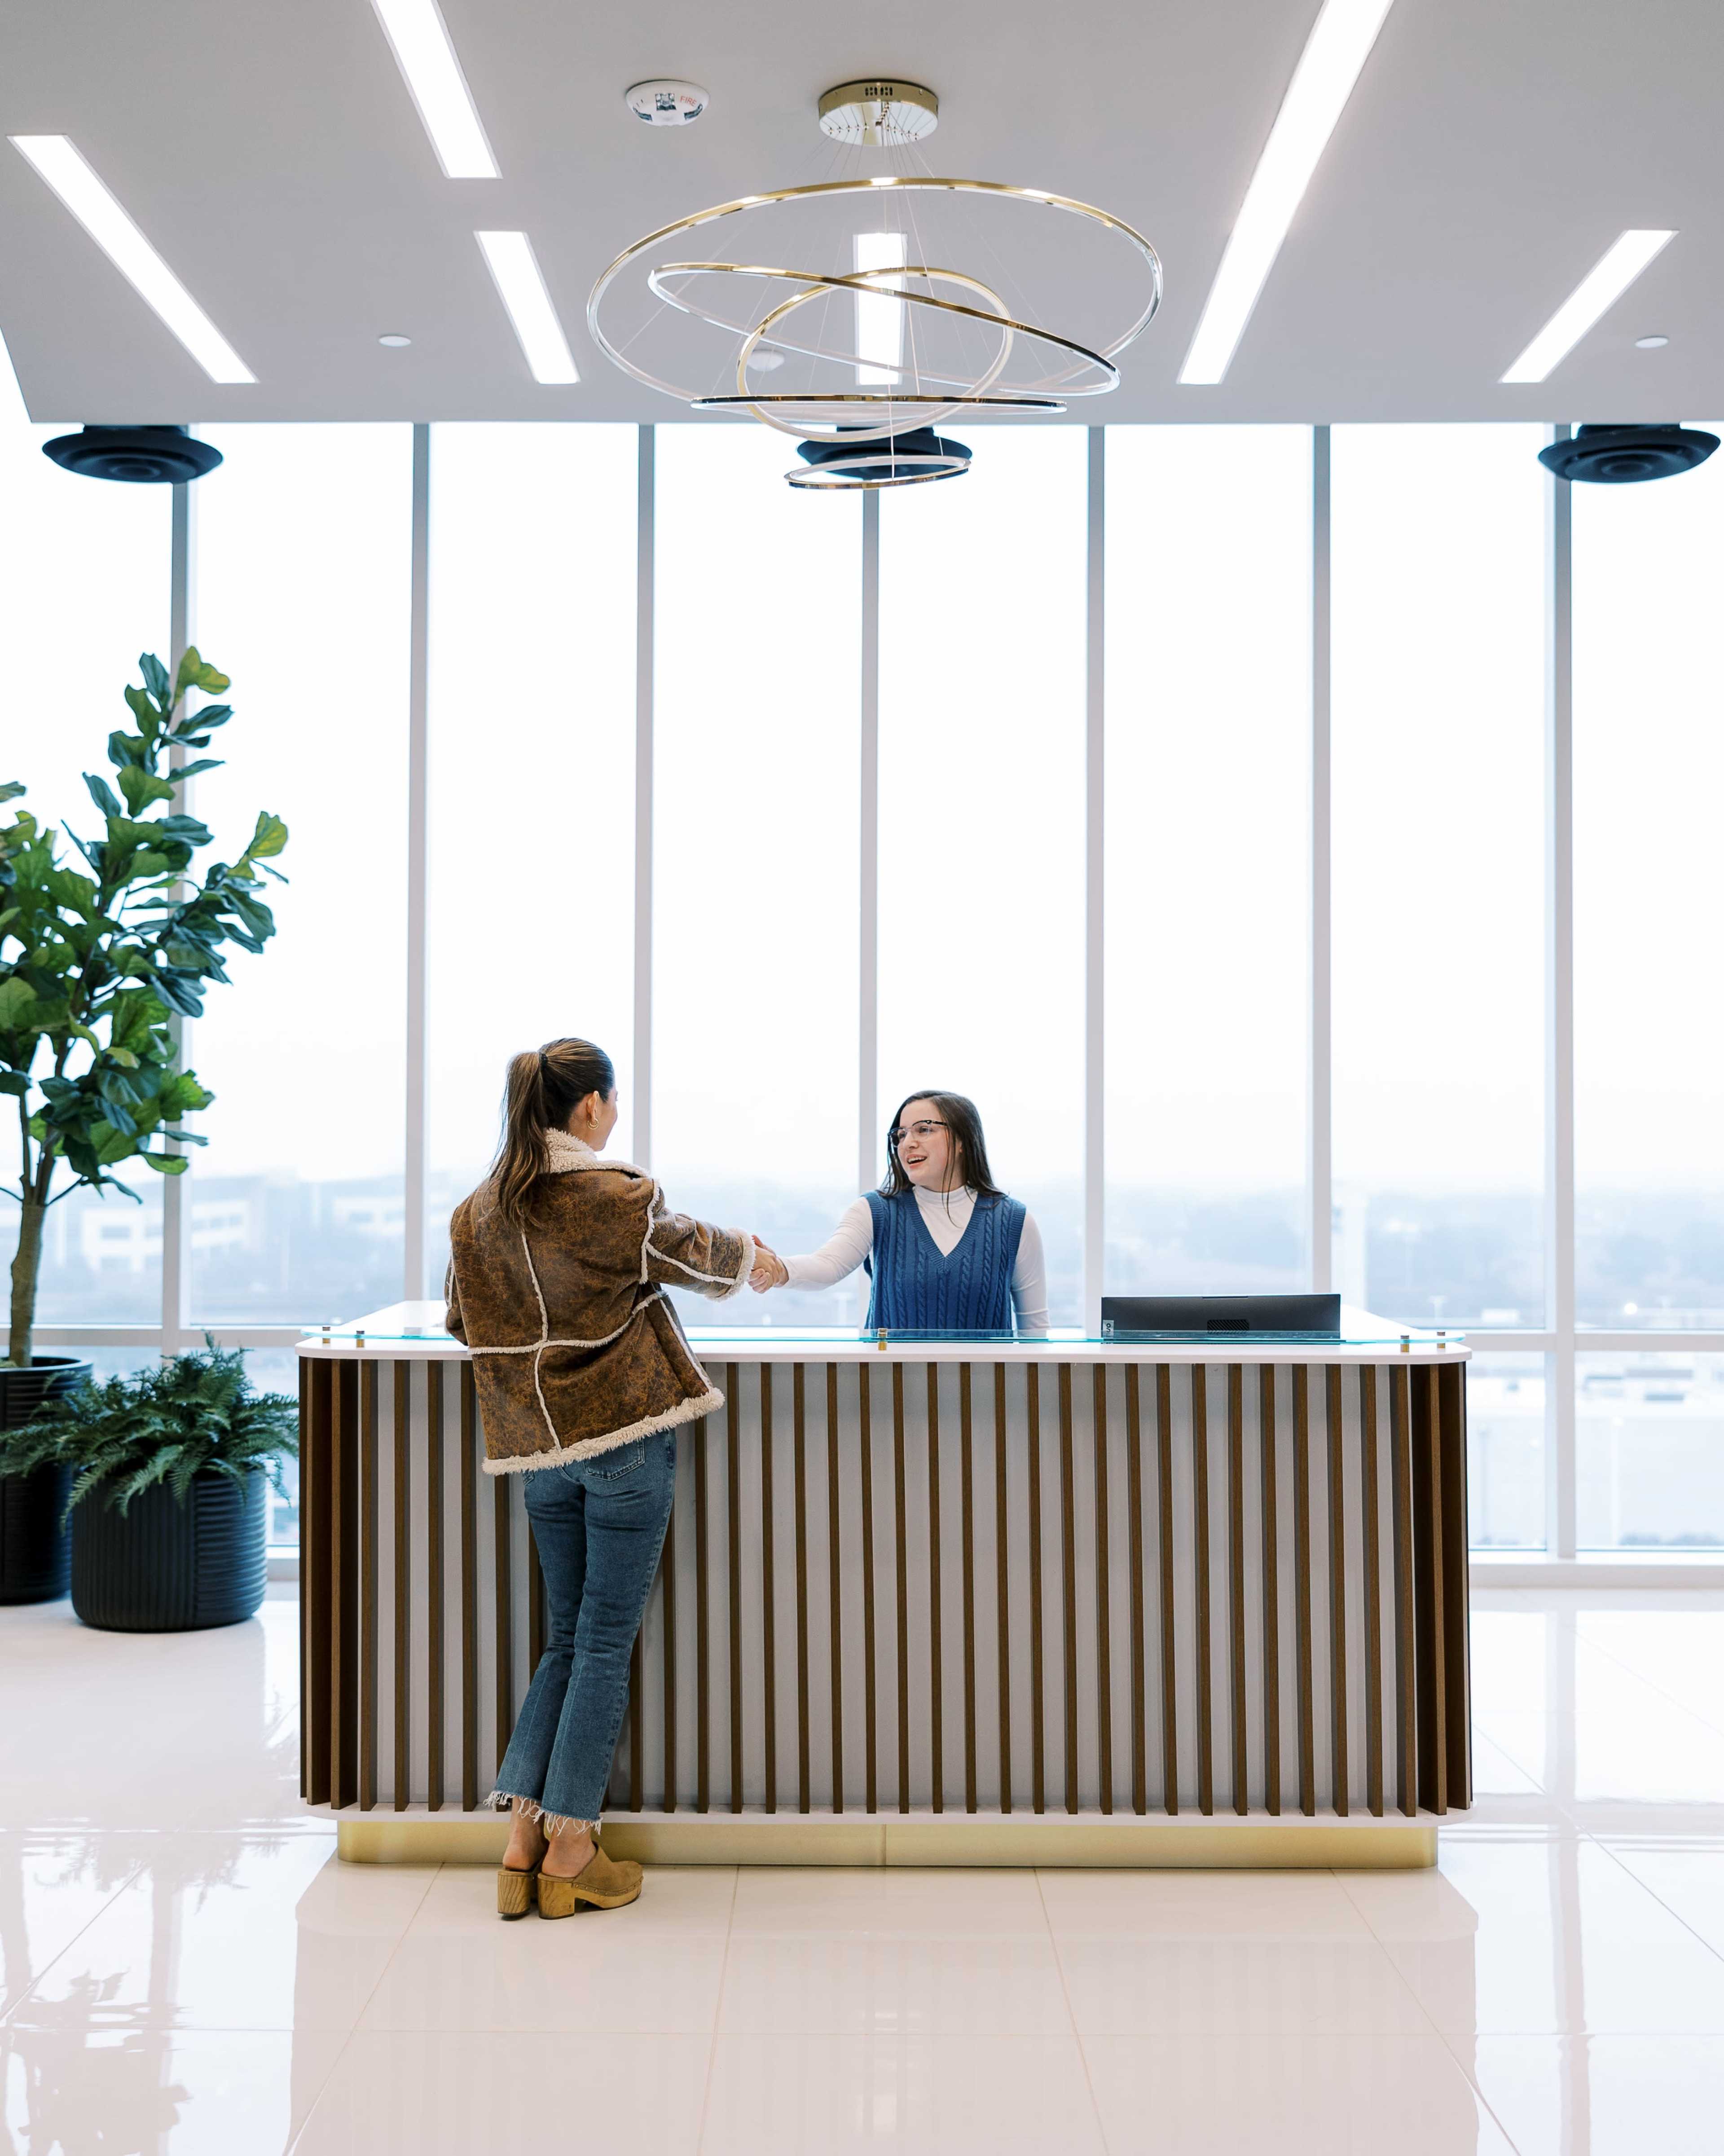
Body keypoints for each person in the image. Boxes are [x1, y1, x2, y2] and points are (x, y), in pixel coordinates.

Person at [444, 1037, 778, 1920]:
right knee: (601, 1644)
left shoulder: (479, 1211)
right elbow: (695, 1254)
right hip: (622, 1441)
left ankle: (521, 1843)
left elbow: (459, 1316)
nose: (615, 1112)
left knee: (565, 1638)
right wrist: (760, 1260)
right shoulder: (610, 1195)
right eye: (612, 1098)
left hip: (537, 1450)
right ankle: (572, 1849)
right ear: (589, 1107)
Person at [752, 1090, 1049, 1332]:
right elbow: (828, 1265)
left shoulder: (1014, 1221)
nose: (908, 1143)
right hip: (890, 1393)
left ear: (962, 1141)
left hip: (985, 1398)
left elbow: (1035, 1328)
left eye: (924, 1129)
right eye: (901, 1135)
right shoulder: (874, 1211)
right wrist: (779, 1269)